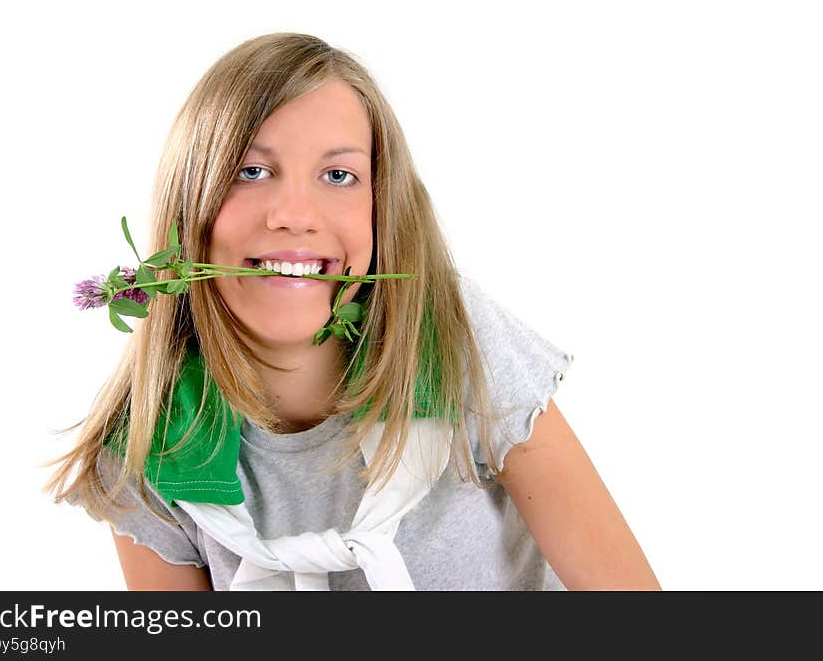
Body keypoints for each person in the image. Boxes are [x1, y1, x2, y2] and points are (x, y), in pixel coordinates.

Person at [44, 32, 661, 591]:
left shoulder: (455, 340)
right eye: (251, 171)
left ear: (380, 208)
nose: (293, 213)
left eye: (338, 175)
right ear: (189, 210)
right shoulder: (147, 450)